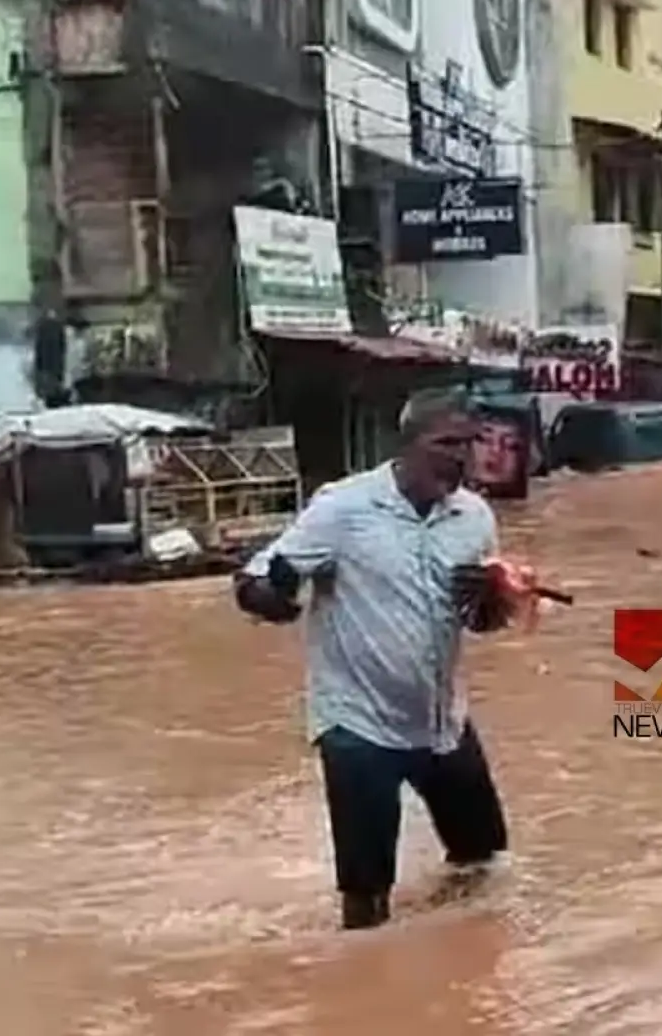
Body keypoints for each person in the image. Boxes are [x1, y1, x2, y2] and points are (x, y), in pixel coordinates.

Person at [233, 396, 515, 930]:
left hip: (442, 723)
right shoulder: (342, 509)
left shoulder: (474, 517)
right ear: (407, 445)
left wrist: (492, 600)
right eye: (447, 444)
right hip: (358, 725)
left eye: (470, 443)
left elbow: (481, 622)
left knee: (485, 865)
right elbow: (254, 586)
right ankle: (362, 988)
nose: (461, 458)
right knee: (366, 900)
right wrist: (278, 594)